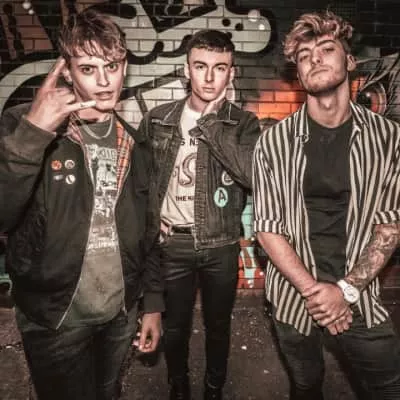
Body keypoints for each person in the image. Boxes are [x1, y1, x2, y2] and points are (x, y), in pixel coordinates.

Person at [0, 9, 163, 400]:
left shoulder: (135, 142)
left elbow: (149, 231)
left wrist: (152, 303)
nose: (104, 82)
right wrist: (33, 135)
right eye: (88, 69)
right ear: (68, 72)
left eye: (112, 66)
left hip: (119, 314)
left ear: (125, 67)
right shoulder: (24, 126)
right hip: (55, 319)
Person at [253, 10, 400, 400]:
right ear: (299, 75)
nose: (314, 58)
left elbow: (390, 227)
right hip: (294, 298)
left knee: (389, 387)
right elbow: (267, 228)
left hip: (359, 295)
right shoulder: (273, 142)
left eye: (325, 49)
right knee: (306, 385)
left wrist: (344, 291)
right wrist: (317, 294)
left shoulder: (388, 138)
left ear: (349, 61)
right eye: (304, 56)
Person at [138, 29, 260, 400]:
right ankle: (178, 386)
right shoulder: (158, 119)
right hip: (172, 244)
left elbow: (251, 175)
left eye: (219, 68)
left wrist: (209, 122)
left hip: (221, 244)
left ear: (231, 73)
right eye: (200, 66)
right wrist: (151, 220)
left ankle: (213, 388)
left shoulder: (244, 123)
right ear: (186, 69)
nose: (209, 77)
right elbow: (140, 182)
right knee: (175, 327)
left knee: (218, 326)